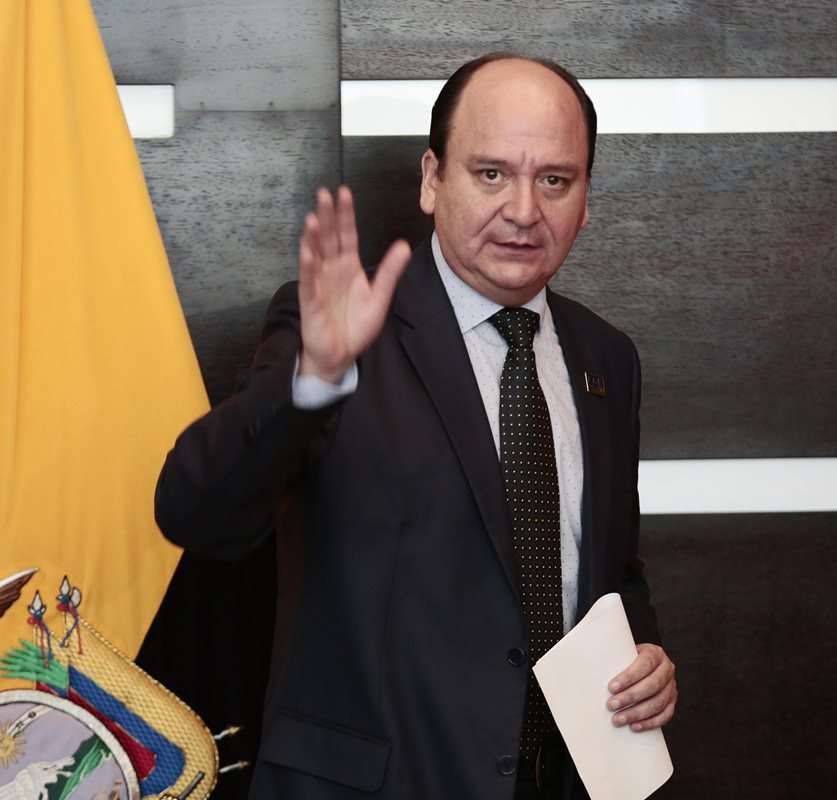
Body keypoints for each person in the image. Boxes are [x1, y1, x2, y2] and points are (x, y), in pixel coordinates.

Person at [156, 53, 676, 800]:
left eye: (555, 180)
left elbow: (611, 572)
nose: (524, 209)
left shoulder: (607, 359)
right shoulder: (340, 332)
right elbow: (194, 513)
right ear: (433, 179)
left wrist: (643, 651)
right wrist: (314, 379)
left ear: (586, 198)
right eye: (491, 174)